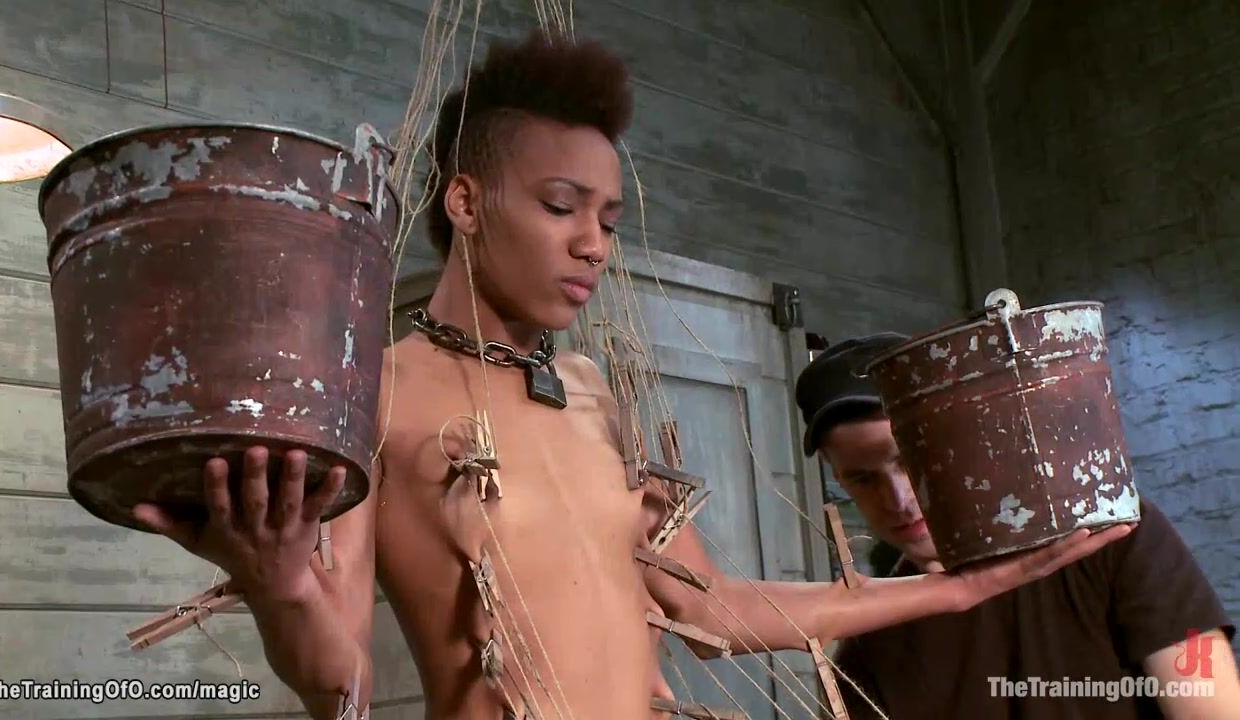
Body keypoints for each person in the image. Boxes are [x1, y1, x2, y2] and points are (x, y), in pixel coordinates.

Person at [132, 33, 1133, 720]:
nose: (593, 244)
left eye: (607, 220)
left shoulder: (591, 395)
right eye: (560, 206)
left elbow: (708, 611)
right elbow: (339, 687)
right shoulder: (375, 393)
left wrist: (957, 591)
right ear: (466, 203)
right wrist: (280, 589)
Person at [795, 332, 1240, 720]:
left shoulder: (1108, 537)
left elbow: (1210, 707)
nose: (899, 499)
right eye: (863, 479)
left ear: (959, 439)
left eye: (910, 460)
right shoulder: (867, 650)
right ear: (839, 481)